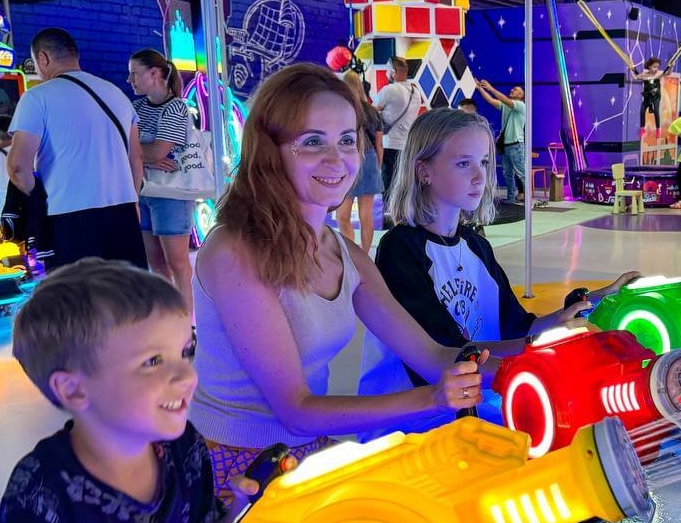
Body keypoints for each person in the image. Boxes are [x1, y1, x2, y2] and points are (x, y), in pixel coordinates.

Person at [190, 64, 504, 492]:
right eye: (312, 142)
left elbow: (431, 355)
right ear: (270, 151)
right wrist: (431, 398)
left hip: (303, 448)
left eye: (346, 140)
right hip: (234, 463)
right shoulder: (235, 252)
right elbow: (296, 409)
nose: (336, 159)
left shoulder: (343, 253)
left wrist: (533, 363)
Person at [0, 259, 231, 523]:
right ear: (74, 390)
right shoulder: (39, 491)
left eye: (186, 351)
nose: (187, 376)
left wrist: (244, 509)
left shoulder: (184, 447)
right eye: (152, 361)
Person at [374, 108, 640, 384]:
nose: (480, 176)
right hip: (418, 404)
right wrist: (538, 347)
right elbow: (444, 354)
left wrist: (595, 301)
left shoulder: (477, 246)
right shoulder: (399, 249)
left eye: (484, 162)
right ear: (424, 171)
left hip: (478, 396)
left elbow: (518, 327)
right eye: (464, 164)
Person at [8, 27, 147, 270]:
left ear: (43, 58)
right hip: (123, 213)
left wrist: (37, 200)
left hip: (68, 217)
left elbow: (18, 167)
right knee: (126, 290)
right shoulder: (116, 94)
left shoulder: (36, 97)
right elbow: (136, 158)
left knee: (78, 291)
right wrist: (133, 200)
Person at [128, 48, 197, 314]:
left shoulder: (176, 107)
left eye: (134, 73)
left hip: (172, 194)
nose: (130, 80)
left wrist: (142, 155)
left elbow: (159, 151)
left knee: (177, 263)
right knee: (155, 264)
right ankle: (168, 318)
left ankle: (186, 321)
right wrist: (148, 157)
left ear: (155, 73)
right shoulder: (136, 108)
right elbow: (123, 148)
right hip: (144, 190)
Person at [336, 70, 383, 255]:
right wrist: (378, 166)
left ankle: (350, 253)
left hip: (348, 159)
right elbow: (379, 144)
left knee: (342, 214)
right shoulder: (372, 111)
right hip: (370, 159)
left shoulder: (342, 109)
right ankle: (363, 254)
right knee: (366, 213)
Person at [373, 56, 424, 196]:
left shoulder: (389, 90)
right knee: (403, 187)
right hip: (407, 146)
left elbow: (371, 112)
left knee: (388, 187)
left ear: (393, 72)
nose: (386, 74)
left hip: (390, 145)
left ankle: (388, 210)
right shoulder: (416, 93)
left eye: (387, 70)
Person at [475, 79, 526, 203]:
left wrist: (491, 88)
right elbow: (490, 100)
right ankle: (511, 198)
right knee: (507, 174)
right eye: (513, 89)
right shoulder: (506, 106)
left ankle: (528, 198)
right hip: (505, 146)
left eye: (516, 90)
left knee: (521, 173)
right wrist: (480, 89)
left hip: (516, 145)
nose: (512, 90)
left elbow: (505, 100)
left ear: (521, 96)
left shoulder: (521, 105)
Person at [633, 57, 665, 135]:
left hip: (656, 96)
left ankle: (658, 130)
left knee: (656, 111)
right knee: (642, 110)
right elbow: (636, 77)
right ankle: (642, 129)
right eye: (654, 67)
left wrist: (672, 66)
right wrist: (631, 70)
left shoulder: (658, 75)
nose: (656, 69)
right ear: (649, 66)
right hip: (647, 96)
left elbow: (668, 73)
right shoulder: (644, 75)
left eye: (657, 67)